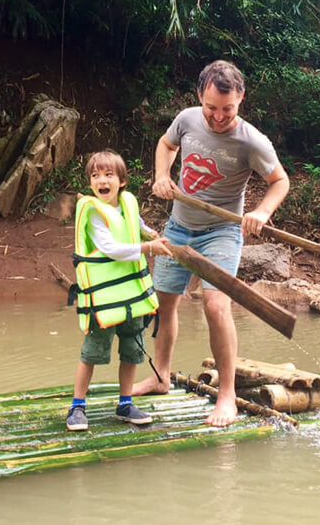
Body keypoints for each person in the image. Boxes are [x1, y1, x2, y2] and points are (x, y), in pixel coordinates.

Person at [132, 60, 290, 427]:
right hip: (178, 226)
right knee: (164, 303)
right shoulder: (187, 119)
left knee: (216, 306)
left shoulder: (251, 141)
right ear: (200, 96)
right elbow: (166, 144)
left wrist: (261, 213)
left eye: (228, 109)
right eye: (212, 108)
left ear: (241, 99)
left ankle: (227, 396)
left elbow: (279, 181)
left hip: (221, 232)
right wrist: (161, 175)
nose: (219, 117)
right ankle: (161, 377)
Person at [66, 150, 173, 431]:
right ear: (90, 183)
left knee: (131, 350)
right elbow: (111, 249)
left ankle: (125, 403)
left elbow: (137, 227)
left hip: (131, 298)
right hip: (104, 301)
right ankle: (77, 406)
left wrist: (152, 235)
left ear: (122, 181)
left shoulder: (127, 205)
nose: (102, 180)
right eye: (95, 175)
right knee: (91, 353)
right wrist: (149, 248)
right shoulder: (94, 214)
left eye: (108, 174)